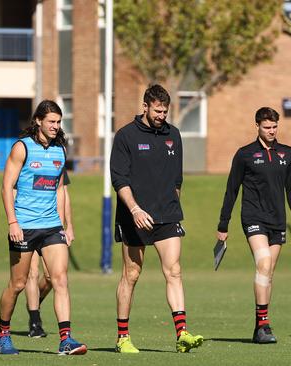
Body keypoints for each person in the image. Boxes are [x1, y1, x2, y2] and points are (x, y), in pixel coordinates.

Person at [110, 84, 203, 353]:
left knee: (174, 270)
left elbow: (177, 180)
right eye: (157, 110)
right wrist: (136, 210)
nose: (162, 115)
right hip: (134, 216)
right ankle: (123, 338)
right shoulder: (126, 136)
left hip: (167, 215)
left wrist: (172, 204)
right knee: (131, 274)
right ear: (145, 107)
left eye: (165, 111)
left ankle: (182, 333)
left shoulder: (173, 135)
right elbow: (119, 179)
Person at [0, 100, 86, 355]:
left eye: (59, 122)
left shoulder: (60, 151)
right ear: (38, 121)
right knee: (18, 284)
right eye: (52, 122)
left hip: (51, 227)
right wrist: (13, 222)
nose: (56, 126)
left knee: (60, 280)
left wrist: (66, 225)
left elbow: (59, 190)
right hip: (24, 226)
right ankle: (3, 335)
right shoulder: (21, 148)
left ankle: (66, 339)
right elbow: (5, 188)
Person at [216, 107, 291, 344]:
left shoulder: (287, 153)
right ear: (257, 126)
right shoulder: (245, 154)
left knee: (268, 272)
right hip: (253, 218)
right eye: (267, 127)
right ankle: (264, 324)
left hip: (277, 220)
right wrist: (223, 224)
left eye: (275, 126)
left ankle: (260, 326)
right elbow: (231, 190)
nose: (272, 131)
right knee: (263, 263)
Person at [24, 172, 74, 338]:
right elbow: (13, 190)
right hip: (29, 225)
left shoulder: (56, 159)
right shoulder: (26, 157)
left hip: (52, 228)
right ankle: (34, 321)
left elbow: (63, 193)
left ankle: (34, 303)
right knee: (32, 273)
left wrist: (68, 226)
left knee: (51, 276)